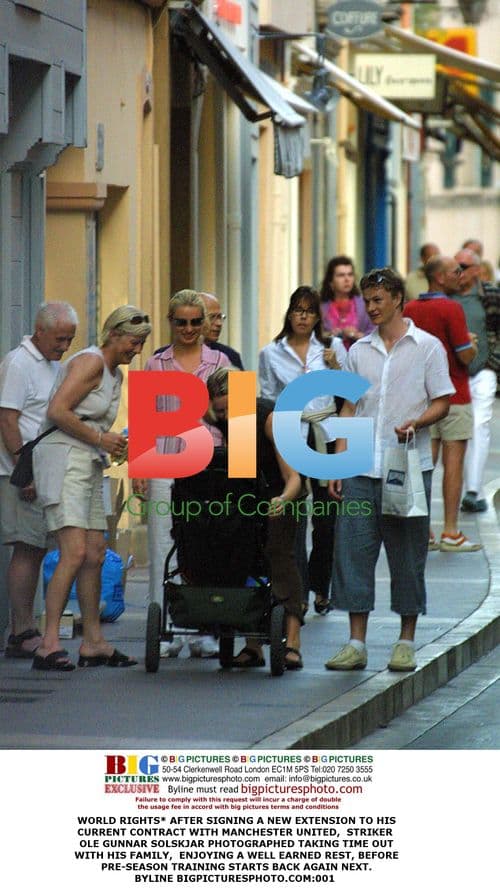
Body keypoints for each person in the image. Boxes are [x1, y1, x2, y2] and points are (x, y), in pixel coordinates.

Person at [325, 268, 453, 673]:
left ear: (398, 299)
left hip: (407, 465)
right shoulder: (359, 351)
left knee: (408, 555)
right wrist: (339, 461)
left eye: (378, 300)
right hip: (361, 466)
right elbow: (349, 406)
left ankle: (406, 641)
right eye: (367, 301)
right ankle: (356, 643)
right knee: (353, 552)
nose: (371, 308)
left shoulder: (427, 347)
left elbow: (443, 400)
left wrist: (418, 421)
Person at [31, 305, 151, 670]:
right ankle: (48, 643)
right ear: (113, 334)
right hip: (64, 459)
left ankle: (94, 642)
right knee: (74, 551)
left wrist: (108, 443)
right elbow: (57, 411)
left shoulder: (116, 373)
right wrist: (100, 438)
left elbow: (90, 421)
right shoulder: (90, 362)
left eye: (142, 343)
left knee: (96, 552)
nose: (137, 350)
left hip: (89, 461)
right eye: (133, 341)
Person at [134, 289, 230, 658]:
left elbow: (238, 420)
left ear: (204, 323)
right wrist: (139, 469)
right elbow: (144, 420)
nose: (188, 329)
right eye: (181, 322)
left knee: (207, 546)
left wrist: (241, 469)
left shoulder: (222, 362)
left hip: (211, 465)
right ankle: (166, 629)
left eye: (195, 322)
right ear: (171, 322)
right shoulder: (155, 364)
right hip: (165, 462)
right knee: (163, 546)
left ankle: (204, 629)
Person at [207, 367, 304, 669]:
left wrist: (282, 500)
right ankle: (253, 645)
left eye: (229, 409)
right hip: (252, 493)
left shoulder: (270, 420)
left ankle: (293, 641)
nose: (224, 417)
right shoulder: (225, 418)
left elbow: (295, 478)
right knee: (243, 555)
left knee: (278, 555)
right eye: (219, 411)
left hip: (284, 492)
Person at [258, 286, 346, 616]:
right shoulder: (271, 352)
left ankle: (321, 587)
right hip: (290, 433)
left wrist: (336, 368)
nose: (303, 317)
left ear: (317, 316)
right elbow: (267, 397)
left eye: (309, 311)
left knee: (326, 518)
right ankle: (300, 592)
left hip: (325, 433)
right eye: (298, 310)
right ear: (289, 313)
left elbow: (349, 395)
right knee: (293, 516)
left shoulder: (332, 348)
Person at [0, 302, 77, 659]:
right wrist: (24, 471)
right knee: (27, 548)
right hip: (20, 473)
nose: (65, 346)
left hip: (42, 470)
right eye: (59, 339)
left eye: (70, 339)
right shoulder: (19, 363)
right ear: (40, 331)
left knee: (36, 548)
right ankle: (21, 631)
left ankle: (27, 627)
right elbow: (7, 420)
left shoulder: (51, 364)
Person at [404, 255, 481, 551]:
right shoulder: (452, 308)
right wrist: (472, 344)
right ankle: (450, 531)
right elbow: (464, 355)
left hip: (422, 399)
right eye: (455, 271)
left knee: (424, 463)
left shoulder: (410, 309)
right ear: (439, 277)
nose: (460, 275)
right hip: (454, 395)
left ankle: (422, 531)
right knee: (453, 465)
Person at [453, 248, 500, 512]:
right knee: (457, 432)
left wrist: (493, 362)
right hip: (454, 373)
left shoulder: (490, 294)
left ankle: (472, 490)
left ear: (477, 270)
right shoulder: (447, 294)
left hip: (483, 370)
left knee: (479, 425)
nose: (457, 271)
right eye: (455, 266)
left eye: (463, 266)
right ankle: (467, 488)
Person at [153, 291, 244, 370]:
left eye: (220, 317)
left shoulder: (230, 356)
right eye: (212, 317)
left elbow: (244, 386)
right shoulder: (160, 358)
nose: (219, 323)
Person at [319, 255, 373, 349]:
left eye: (350, 274)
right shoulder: (321, 307)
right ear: (331, 281)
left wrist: (355, 335)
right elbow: (313, 337)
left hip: (360, 354)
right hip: (329, 355)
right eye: (341, 275)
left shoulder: (366, 304)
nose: (347, 279)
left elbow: (375, 335)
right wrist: (330, 335)